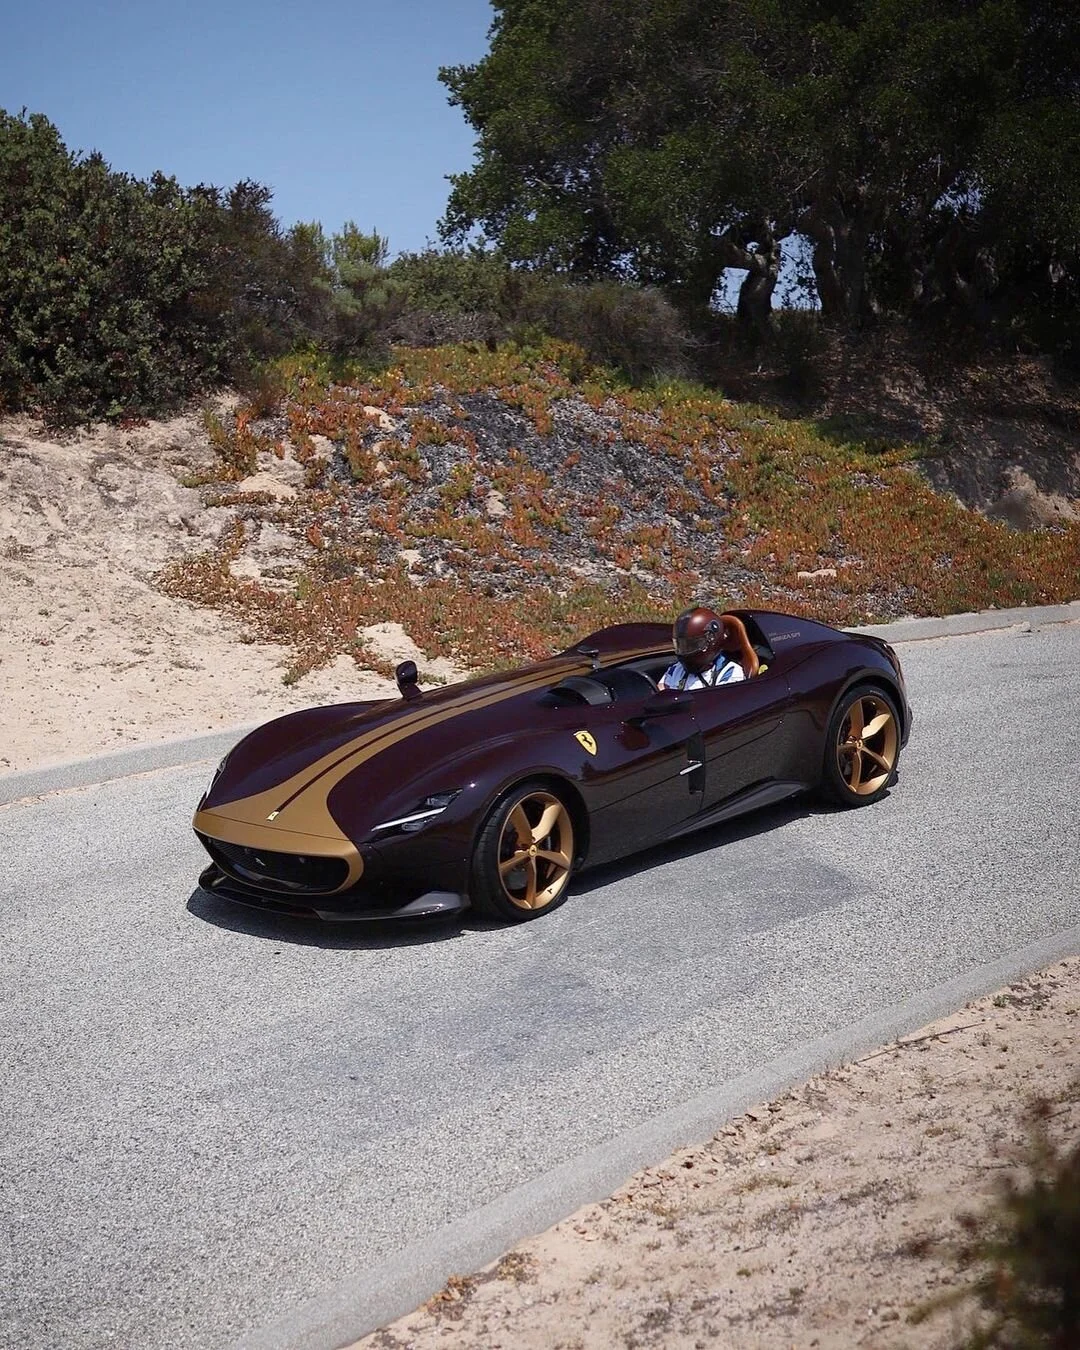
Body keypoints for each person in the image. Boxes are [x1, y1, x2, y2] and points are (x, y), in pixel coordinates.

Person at [658, 606, 746, 690]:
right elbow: (660, 692)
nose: (685, 651)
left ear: (711, 641)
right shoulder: (676, 670)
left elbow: (721, 703)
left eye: (691, 645)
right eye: (681, 645)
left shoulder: (730, 672)